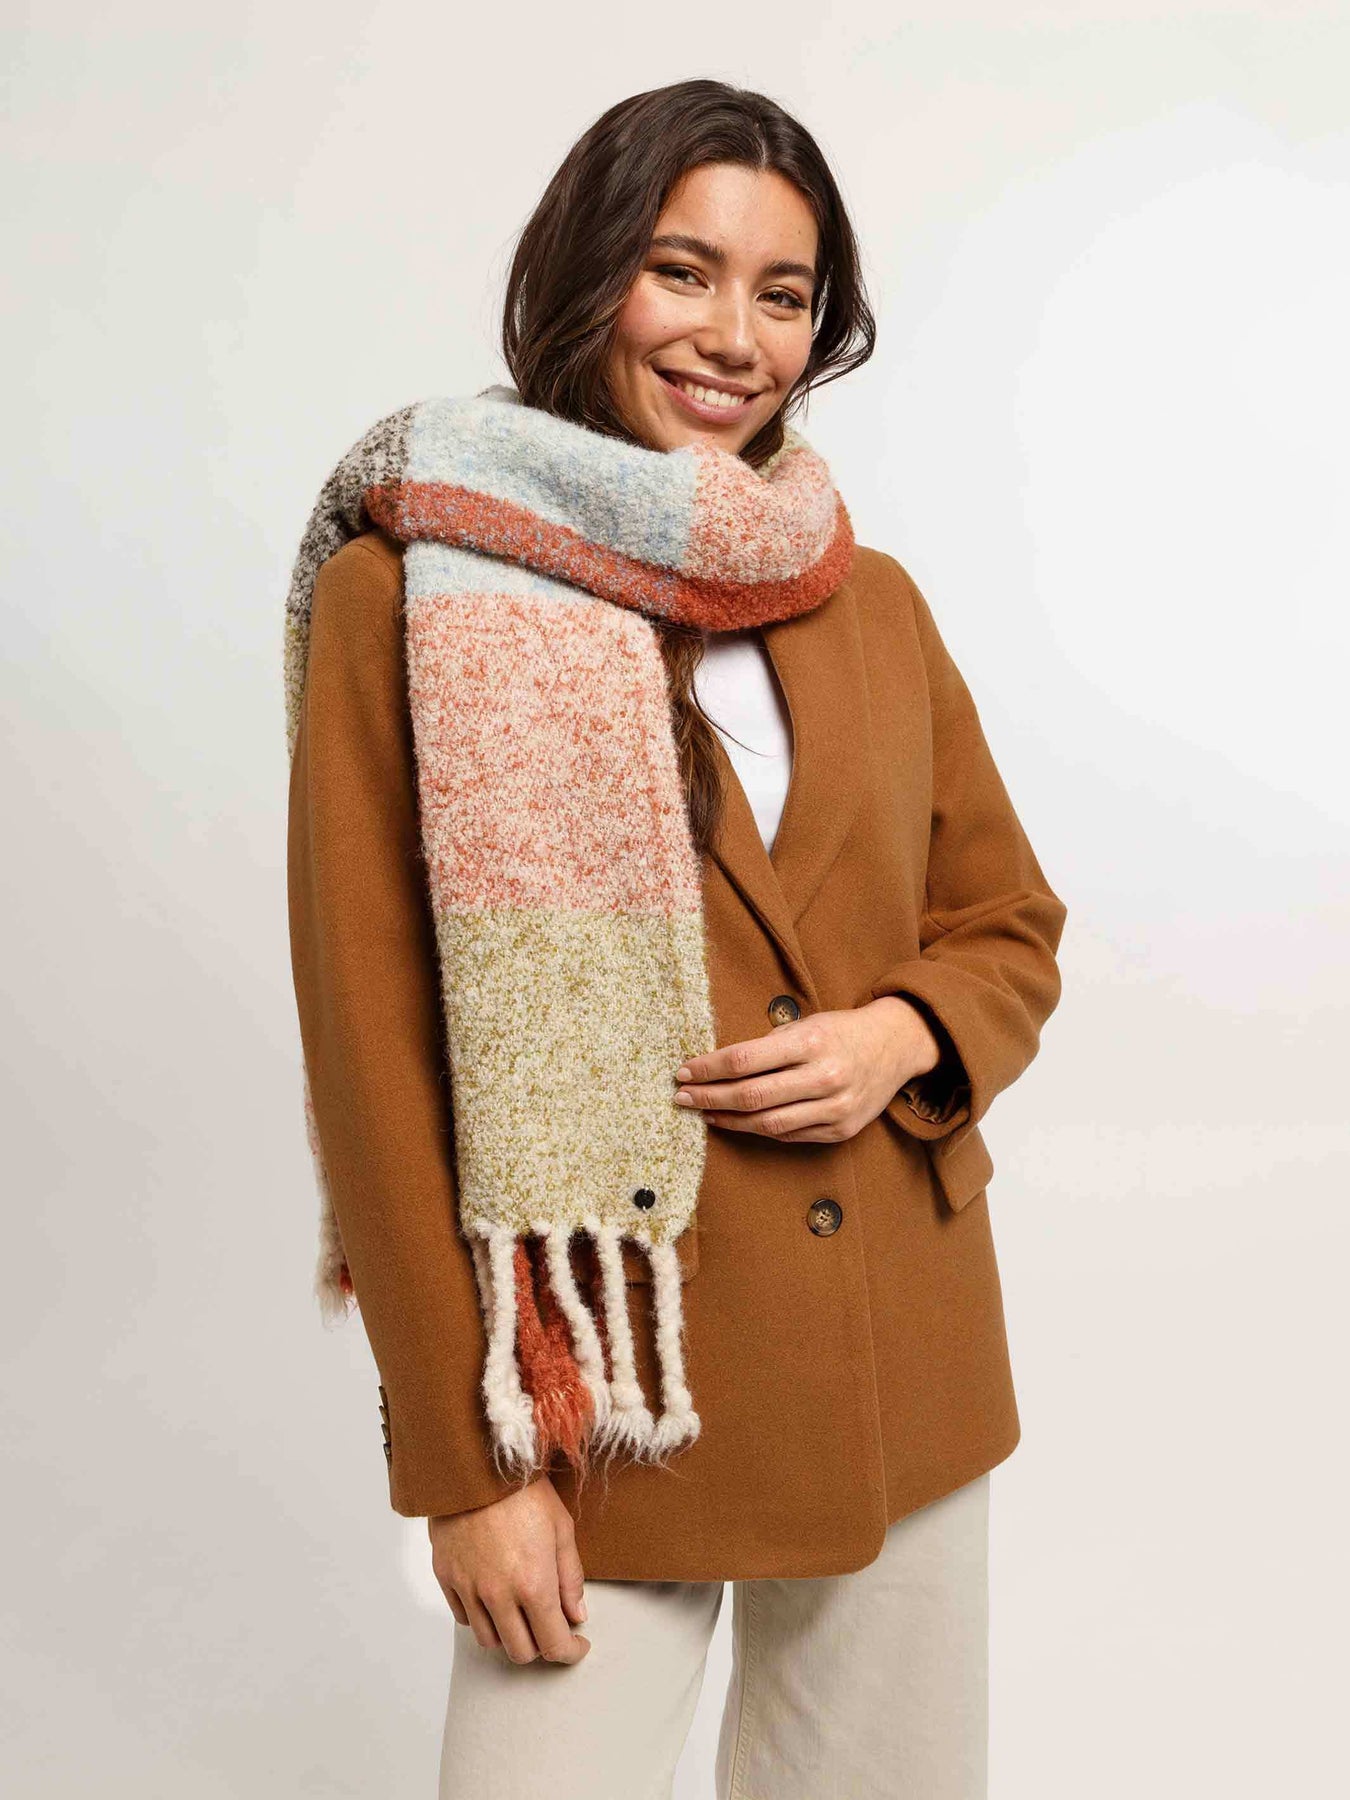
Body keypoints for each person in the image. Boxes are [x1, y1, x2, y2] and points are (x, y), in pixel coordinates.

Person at [285, 77, 1067, 1800]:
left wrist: (901, 1035)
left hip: (903, 1356)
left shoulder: (865, 599)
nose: (734, 337)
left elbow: (1006, 921)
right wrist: (463, 1470)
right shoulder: (404, 592)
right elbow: (370, 1055)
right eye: (681, 271)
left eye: (783, 294)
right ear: (587, 275)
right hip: (606, 1389)